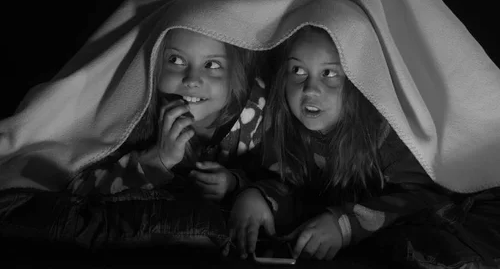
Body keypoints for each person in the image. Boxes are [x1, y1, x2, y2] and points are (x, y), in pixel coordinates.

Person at [226, 26, 451, 260]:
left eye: (330, 73)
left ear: (357, 81)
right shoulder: (285, 128)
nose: (310, 89)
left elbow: (427, 199)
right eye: (298, 70)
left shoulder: (385, 135)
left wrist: (346, 225)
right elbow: (288, 184)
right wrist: (258, 196)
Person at [68, 28, 266, 202]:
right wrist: (157, 159)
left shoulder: (256, 112)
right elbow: (77, 190)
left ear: (237, 74)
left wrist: (234, 184)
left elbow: (281, 182)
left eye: (212, 65)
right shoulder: (134, 114)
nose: (192, 80)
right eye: (176, 60)